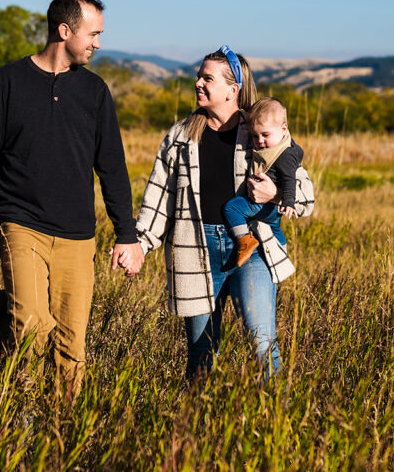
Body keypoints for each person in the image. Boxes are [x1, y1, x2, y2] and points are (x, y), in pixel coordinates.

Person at [0, 0, 140, 397]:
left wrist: (126, 234)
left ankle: (62, 429)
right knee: (33, 328)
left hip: (78, 235)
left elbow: (112, 168)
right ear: (65, 31)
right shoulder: (8, 81)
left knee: (71, 344)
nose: (97, 43)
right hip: (20, 224)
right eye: (93, 34)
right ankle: (19, 414)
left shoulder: (95, 92)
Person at [118, 46, 296, 379]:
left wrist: (277, 194)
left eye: (207, 78)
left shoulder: (259, 131)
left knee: (261, 341)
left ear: (233, 90)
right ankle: (195, 426)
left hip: (252, 249)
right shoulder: (181, 136)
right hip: (196, 252)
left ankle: (279, 419)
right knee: (201, 352)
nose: (198, 82)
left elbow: (301, 185)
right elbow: (160, 197)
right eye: (199, 76)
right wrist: (139, 244)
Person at [223, 97, 304, 268]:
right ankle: (282, 255)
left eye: (265, 135)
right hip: (273, 211)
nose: (260, 141)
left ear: (283, 129)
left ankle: (244, 240)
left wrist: (288, 202)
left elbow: (290, 180)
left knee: (231, 208)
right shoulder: (279, 146)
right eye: (255, 135)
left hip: (261, 204)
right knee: (275, 229)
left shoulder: (284, 155)